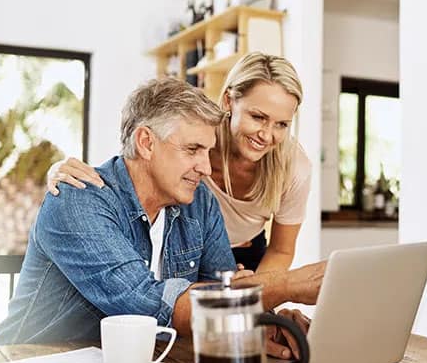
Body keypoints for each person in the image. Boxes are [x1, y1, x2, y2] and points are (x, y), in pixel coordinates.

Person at [0, 78, 323, 359]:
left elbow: (225, 288)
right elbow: (150, 305)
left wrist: (268, 321)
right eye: (192, 150)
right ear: (146, 142)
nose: (206, 168)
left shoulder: (199, 202)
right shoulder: (78, 201)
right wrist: (288, 285)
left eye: (208, 151)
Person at [48, 52, 310, 273]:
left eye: (282, 124)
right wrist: (62, 174)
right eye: (258, 117)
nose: (267, 134)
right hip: (183, 241)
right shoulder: (198, 132)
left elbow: (281, 249)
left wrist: (260, 303)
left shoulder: (293, 167)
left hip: (245, 253)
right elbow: (136, 163)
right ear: (229, 101)